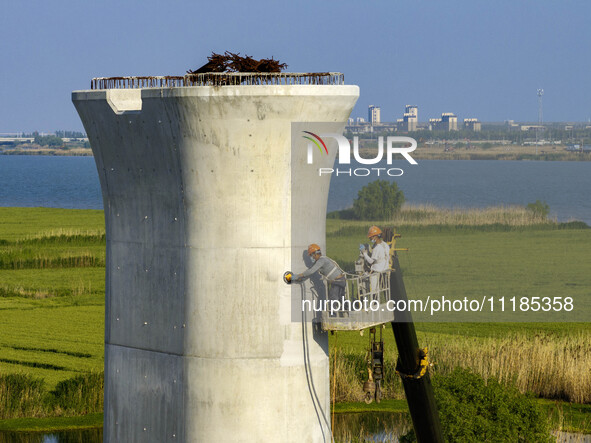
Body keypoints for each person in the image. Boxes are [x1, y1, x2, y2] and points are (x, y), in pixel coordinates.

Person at [359, 226, 390, 295]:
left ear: (375, 237)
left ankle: (372, 302)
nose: (370, 239)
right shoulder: (385, 245)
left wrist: (364, 253)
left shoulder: (377, 248)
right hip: (385, 269)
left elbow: (371, 261)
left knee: (373, 290)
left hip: (377, 271)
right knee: (379, 289)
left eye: (370, 237)